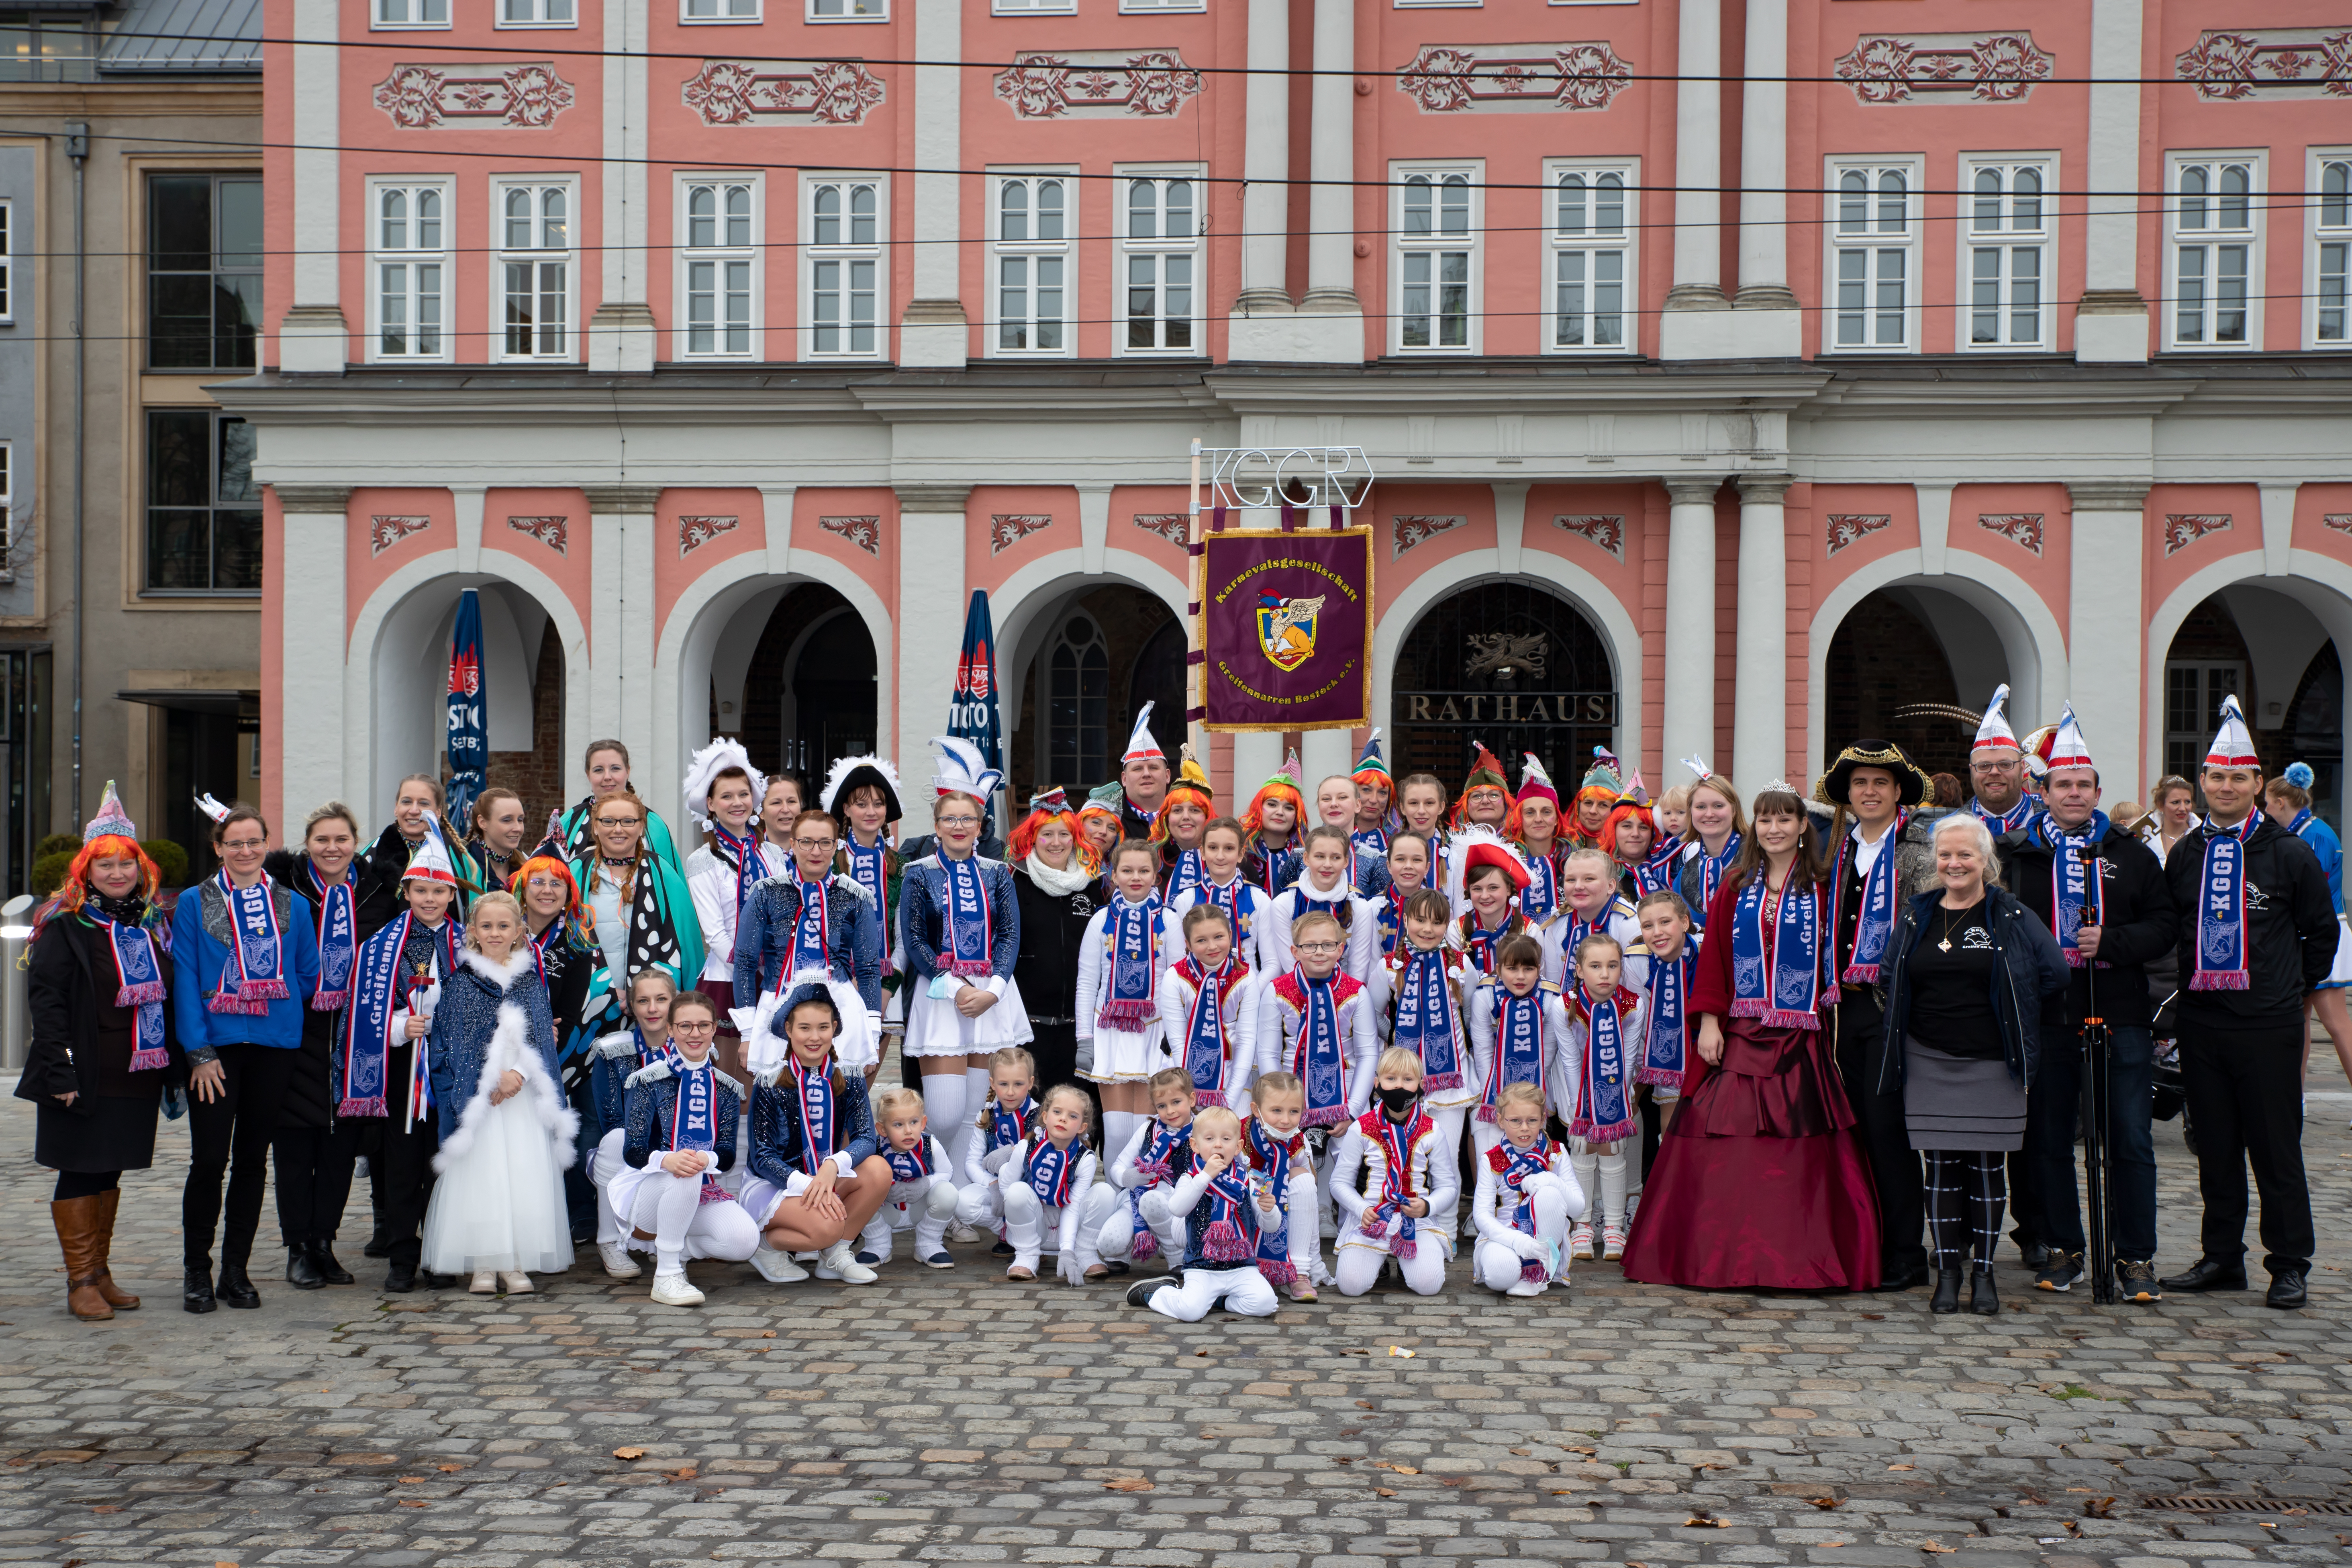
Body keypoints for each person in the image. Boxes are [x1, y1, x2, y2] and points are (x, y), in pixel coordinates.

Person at [1620, 784, 1882, 1292]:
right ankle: (1725, 1254)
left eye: (1785, 819)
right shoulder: (1738, 885)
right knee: (1728, 1135)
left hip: (1804, 1033)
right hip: (1742, 1029)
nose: (1775, 829)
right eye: (1766, 820)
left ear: (1803, 825)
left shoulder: (1827, 885)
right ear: (1754, 827)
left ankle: (1796, 1255)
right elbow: (1716, 955)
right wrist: (1711, 1022)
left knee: (1802, 1141)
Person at [1994, 705, 2178, 1301]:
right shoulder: (2019, 857)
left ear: (2098, 792)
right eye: (2062, 785)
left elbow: (2165, 924)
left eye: (2083, 786)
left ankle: (2135, 1257)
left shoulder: (2129, 853)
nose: (2073, 794)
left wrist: (2114, 944)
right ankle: (2065, 1245)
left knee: (2128, 1138)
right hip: (2047, 1019)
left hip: (2118, 1015)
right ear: (2043, 791)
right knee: (2048, 1138)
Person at [2159, 696, 2336, 1311]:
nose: (2226, 786)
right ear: (2203, 781)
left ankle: (2290, 1264)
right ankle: (2221, 1258)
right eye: (2216, 776)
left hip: (2267, 1025)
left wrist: (2291, 991)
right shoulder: (2187, 852)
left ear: (2258, 784)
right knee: (2214, 1147)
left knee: (2275, 1149)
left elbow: (2323, 932)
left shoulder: (2289, 852)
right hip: (2204, 1024)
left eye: (2238, 777)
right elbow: (2173, 927)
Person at [1879, 814, 2068, 1315]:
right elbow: (1887, 973)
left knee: (1988, 1168)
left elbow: (2055, 972)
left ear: (1986, 861)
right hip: (1927, 1058)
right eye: (1946, 854)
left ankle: (1984, 1274)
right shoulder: (1917, 914)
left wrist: (2011, 1009)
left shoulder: (2010, 914)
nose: (1954, 863)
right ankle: (1949, 1273)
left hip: (1993, 1063)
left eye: (1966, 854)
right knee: (1939, 1169)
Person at [22, 784, 183, 1321]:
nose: (117, 874)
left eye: (126, 864)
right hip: (84, 1072)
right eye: (105, 865)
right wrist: (59, 1070)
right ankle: (80, 1280)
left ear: (141, 869)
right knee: (80, 1170)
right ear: (86, 872)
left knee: (108, 1171)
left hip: (136, 1073)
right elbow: (46, 1005)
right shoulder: (64, 925)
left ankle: (101, 1271)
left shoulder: (151, 924)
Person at [173, 802, 323, 1313]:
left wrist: (266, 998)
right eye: (234, 842)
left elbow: (308, 972)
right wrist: (199, 1052)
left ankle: (235, 1270)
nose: (245, 850)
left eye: (253, 841)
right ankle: (198, 1268)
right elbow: (187, 981)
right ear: (218, 848)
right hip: (214, 1051)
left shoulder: (294, 905)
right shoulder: (194, 903)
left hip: (274, 1046)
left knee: (253, 1161)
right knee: (210, 1160)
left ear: (266, 844)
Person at [1815, 740, 1942, 1291]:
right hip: (1841, 1009)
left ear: (1896, 794)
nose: (1869, 792)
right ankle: (1864, 1242)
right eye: (1860, 784)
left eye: (1880, 784)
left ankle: (1906, 1251)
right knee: (1856, 1131)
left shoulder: (1920, 848)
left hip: (1893, 1009)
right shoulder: (1835, 850)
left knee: (1890, 1133)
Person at [265, 801, 399, 1290]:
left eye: (341, 839)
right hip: (297, 1032)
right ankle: (297, 1247)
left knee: (341, 1147)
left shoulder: (379, 892)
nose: (332, 848)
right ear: (308, 842)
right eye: (322, 839)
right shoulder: (281, 889)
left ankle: (325, 1242)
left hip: (356, 1033)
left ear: (355, 841)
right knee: (296, 1145)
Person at [419, 889, 577, 1295]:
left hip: (521, 1100)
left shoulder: (529, 983)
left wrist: (520, 1074)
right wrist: (487, 1081)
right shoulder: (460, 984)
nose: (494, 933)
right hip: (480, 1101)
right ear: (472, 931)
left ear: (518, 931)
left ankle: (516, 1261)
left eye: (503, 925)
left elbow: (542, 1039)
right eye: (486, 926)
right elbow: (451, 1045)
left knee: (522, 1175)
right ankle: (485, 1263)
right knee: (483, 1177)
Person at [901, 738, 1032, 1186]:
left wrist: (993, 989)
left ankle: (955, 1202)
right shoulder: (918, 872)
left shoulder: (999, 874)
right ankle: (923, 1183)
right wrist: (956, 987)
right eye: (949, 819)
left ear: (981, 824)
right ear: (936, 825)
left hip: (992, 997)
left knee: (977, 1112)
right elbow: (915, 938)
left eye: (968, 819)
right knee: (943, 1112)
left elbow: (1010, 933)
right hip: (942, 997)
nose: (959, 826)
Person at [610, 990, 759, 1306]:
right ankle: (666, 1275)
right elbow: (634, 1150)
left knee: (744, 1243)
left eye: (704, 1026)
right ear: (671, 1030)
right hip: (649, 1190)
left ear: (715, 1029)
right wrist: (669, 1160)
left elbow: (728, 1154)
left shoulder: (726, 1088)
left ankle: (673, 1247)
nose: (695, 1034)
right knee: (688, 1165)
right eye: (686, 1026)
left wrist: (708, 1157)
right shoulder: (647, 1080)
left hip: (699, 1191)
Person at [742, 982, 893, 1286]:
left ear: (835, 1028)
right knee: (826, 1227)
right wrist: (806, 1184)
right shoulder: (769, 1082)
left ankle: (834, 1256)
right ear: (789, 1029)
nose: (814, 1037)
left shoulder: (849, 1077)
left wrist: (833, 1165)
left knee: (879, 1170)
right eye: (805, 1028)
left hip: (825, 1176)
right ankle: (765, 1248)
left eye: (823, 1027)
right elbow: (761, 1157)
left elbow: (866, 1136)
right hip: (776, 1184)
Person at [567, 789, 704, 1100]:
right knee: (593, 1109)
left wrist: (643, 995)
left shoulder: (662, 873)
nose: (619, 829)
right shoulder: (577, 872)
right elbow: (565, 943)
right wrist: (605, 990)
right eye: (609, 821)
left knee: (651, 1103)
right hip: (590, 1008)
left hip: (650, 1010)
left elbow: (685, 941)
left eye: (628, 821)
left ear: (642, 826)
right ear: (596, 827)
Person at [731, 808, 881, 1076]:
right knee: (780, 1103)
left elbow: (869, 969)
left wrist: (872, 1030)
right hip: (777, 1007)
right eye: (807, 842)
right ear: (793, 844)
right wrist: (746, 1032)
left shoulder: (856, 896)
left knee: (836, 1102)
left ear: (837, 846)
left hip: (841, 1011)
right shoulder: (766, 893)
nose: (816, 851)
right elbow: (744, 963)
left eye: (825, 843)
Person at [1370, 888, 1478, 1223]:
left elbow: (1473, 1013)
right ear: (1406, 920)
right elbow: (1374, 1013)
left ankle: (1444, 1229)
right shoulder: (1389, 966)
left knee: (1445, 1155)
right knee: (1404, 1156)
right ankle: (1401, 1221)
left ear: (1448, 925)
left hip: (1450, 1080)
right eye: (1420, 920)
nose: (1428, 929)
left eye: (1437, 922)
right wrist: (1398, 1039)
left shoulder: (1461, 964)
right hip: (1403, 1080)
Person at [682, 739, 782, 1083]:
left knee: (774, 1080)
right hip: (728, 979)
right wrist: (755, 967)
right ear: (710, 804)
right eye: (726, 796)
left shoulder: (774, 855)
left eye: (743, 794)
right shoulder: (702, 861)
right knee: (733, 1084)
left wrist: (779, 966)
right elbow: (716, 935)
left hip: (775, 980)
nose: (737, 803)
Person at [1121, 1105, 1282, 1320]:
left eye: (1226, 1139)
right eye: (1210, 1139)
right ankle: (1157, 1293)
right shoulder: (1190, 1178)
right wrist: (1205, 1177)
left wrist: (1270, 1210)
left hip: (1242, 1266)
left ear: (1238, 1147)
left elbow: (1270, 1227)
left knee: (1266, 1304)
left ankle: (1219, 1300)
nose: (1218, 1144)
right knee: (1190, 1313)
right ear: (1195, 1145)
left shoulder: (1250, 1181)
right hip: (1201, 1265)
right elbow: (1177, 1208)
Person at [513, 852, 599, 1242]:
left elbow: (568, 1012)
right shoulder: (503, 929)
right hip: (504, 1049)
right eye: (538, 882)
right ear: (522, 888)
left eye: (556, 883)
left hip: (559, 1052)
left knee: (559, 1132)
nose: (547, 890)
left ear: (568, 893)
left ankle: (565, 1218)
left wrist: (543, 1031)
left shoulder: (577, 941)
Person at [1078, 839, 1182, 1155]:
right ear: (1114, 875)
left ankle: (1138, 1201)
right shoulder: (1100, 919)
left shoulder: (1170, 919)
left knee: (1146, 1131)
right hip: (1110, 1031)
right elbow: (1087, 982)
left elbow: (1179, 983)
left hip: (1156, 1031)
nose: (1135, 877)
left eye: (1143, 870)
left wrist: (1176, 1038)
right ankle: (1118, 1201)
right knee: (1118, 1132)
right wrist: (1084, 1038)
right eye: (1127, 870)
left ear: (1156, 876)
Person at [1328, 1047, 1457, 1297]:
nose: (1399, 1086)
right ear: (1377, 1084)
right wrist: (1361, 1209)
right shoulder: (1360, 1128)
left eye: (1408, 1080)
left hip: (1416, 1222)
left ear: (1421, 1084)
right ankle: (1380, 1262)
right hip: (1372, 1220)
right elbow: (1339, 1183)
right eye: (1391, 1079)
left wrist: (1427, 1206)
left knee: (1428, 1285)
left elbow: (1448, 1187)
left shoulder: (1433, 1130)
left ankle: (1406, 1258)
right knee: (1351, 1286)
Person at [2265, 764, 2352, 1102]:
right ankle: (2294, 1097)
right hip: (2309, 934)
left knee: (2336, 1021)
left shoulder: (2314, 834)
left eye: (2269, 803)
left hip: (2323, 933)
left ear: (2284, 802)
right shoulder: (2307, 831)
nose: (2266, 810)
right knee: (2297, 1021)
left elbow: (2307, 892)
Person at [1009, 788, 1102, 1097]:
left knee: (1078, 1111)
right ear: (1032, 838)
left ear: (1075, 838)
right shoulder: (1015, 881)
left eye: (1064, 834)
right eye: (1047, 835)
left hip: (1079, 1027)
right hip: (1028, 1025)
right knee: (1028, 1112)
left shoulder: (1093, 885)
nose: (1056, 843)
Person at [587, 968, 680, 1279]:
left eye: (661, 999)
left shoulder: (693, 1050)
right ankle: (609, 1242)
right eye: (643, 1001)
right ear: (632, 1006)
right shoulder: (613, 1050)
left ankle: (668, 1242)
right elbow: (611, 1118)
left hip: (674, 1152)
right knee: (616, 1137)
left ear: (674, 1003)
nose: (652, 1009)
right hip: (626, 1152)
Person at [1558, 932, 1644, 1260]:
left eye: (1613, 966)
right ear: (1580, 970)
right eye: (1595, 966)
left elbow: (1630, 1057)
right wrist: (1576, 1110)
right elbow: (1569, 1059)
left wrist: (1616, 1104)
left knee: (1614, 1146)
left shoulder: (1634, 1005)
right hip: (1578, 1086)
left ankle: (1613, 1227)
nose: (1605, 974)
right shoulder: (1563, 1005)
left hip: (1615, 1086)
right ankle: (1581, 1225)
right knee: (1581, 1144)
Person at [1469, 1082, 1585, 1297]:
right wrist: (1517, 1241)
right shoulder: (1491, 1159)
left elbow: (1578, 1209)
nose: (1525, 1128)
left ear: (1543, 1119)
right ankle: (1517, 1269)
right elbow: (1482, 1216)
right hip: (1504, 1236)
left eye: (1532, 1121)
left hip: (1545, 1241)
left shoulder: (1557, 1153)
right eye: (1516, 1121)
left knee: (1549, 1194)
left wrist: (1552, 1181)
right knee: (1502, 1275)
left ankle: (1539, 1272)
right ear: (1500, 1121)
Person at [820, 755, 904, 1045]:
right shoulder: (827, 865)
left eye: (878, 804)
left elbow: (905, 937)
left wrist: (886, 987)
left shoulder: (904, 867)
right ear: (846, 809)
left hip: (886, 989)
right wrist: (847, 982)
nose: (871, 811)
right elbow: (819, 930)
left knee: (865, 1083)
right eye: (862, 804)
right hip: (835, 984)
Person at [1467, 933, 1569, 1158]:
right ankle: (1488, 1191)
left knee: (1530, 1148)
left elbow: (1547, 1055)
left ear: (1540, 968)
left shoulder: (1551, 999)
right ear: (1498, 968)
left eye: (1529, 969)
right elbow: (1484, 1052)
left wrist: (1527, 1103)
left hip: (1537, 1084)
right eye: (1512, 969)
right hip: (1491, 1086)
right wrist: (1499, 1103)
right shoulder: (1485, 997)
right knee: (1489, 1152)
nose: (1520, 977)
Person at [994, 1083, 1107, 1284]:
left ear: (1082, 1127)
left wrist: (1067, 1250)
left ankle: (1085, 1253)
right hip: (1034, 1229)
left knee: (1105, 1192)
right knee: (1017, 1190)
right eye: (1057, 1112)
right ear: (1046, 1117)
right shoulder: (1025, 1148)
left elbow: (1073, 1207)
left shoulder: (1085, 1159)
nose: (1064, 1118)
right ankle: (1027, 1255)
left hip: (1071, 1235)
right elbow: (1006, 1189)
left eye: (1073, 1116)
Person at [1156, 905, 1259, 1109]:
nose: (1212, 946)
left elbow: (1247, 1041)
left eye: (1219, 937)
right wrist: (1190, 1094)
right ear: (1188, 944)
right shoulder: (1175, 977)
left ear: (1230, 935)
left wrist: (1229, 1101)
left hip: (1235, 1073)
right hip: (1184, 1073)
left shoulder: (1246, 977)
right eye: (1201, 940)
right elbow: (1178, 1042)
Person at [856, 1085, 962, 1270]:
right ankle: (877, 1244)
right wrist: (884, 1190)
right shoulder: (873, 1148)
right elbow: (861, 1180)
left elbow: (947, 1172)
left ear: (923, 1123)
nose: (908, 1131)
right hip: (886, 1211)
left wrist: (925, 1184)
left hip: (919, 1209)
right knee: (856, 1193)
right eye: (898, 1125)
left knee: (948, 1193)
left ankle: (929, 1243)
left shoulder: (931, 1145)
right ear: (882, 1129)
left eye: (914, 1122)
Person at [1102, 1066, 1197, 1271]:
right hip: (1137, 1197)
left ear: (1192, 1100)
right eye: (1162, 1106)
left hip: (1181, 1204)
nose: (1170, 1111)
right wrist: (1128, 1177)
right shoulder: (1148, 1129)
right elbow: (1118, 1166)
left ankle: (1176, 1255)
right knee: (1109, 1244)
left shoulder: (1202, 1129)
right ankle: (1128, 1249)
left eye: (1176, 1102)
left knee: (1153, 1201)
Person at [1241, 1070, 1323, 1299]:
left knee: (1303, 1178)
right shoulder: (1237, 1133)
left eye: (1294, 1111)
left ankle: (1297, 1273)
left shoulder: (1297, 1139)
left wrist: (1280, 1181)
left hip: (1281, 1210)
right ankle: (1243, 1264)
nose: (1286, 1120)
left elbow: (1309, 1194)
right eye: (1276, 1110)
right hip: (1243, 1215)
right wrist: (1261, 1184)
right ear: (1256, 1110)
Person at [553, 739, 684, 879]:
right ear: (588, 774)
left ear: (628, 771)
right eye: (599, 770)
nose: (608, 777)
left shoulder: (653, 823)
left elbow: (670, 884)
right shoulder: (569, 822)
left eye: (615, 769)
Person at [1265, 825, 1380, 983]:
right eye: (1319, 856)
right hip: (1297, 992)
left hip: (1347, 995)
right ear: (1306, 858)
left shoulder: (1360, 907)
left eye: (1336, 857)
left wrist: (1345, 1001)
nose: (1327, 864)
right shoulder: (1283, 904)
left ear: (1346, 861)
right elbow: (1290, 965)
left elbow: (1358, 972)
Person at [1168, 816, 1275, 974]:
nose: (1220, 856)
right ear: (1203, 853)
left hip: (1249, 990)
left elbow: (1271, 963)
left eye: (1229, 849)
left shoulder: (1260, 899)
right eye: (1213, 848)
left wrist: (1250, 992)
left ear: (1241, 854)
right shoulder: (1185, 900)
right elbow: (1179, 961)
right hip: (1197, 993)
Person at [369, 774, 484, 897]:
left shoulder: (460, 861)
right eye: (407, 802)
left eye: (424, 803)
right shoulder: (371, 854)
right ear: (396, 808)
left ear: (438, 812)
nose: (414, 811)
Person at [1450, 827, 1535, 976]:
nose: (1485, 896)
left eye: (1493, 888)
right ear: (1469, 892)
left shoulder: (1530, 931)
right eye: (1477, 889)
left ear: (1509, 890)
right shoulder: (1456, 930)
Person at [1674, 761, 1747, 933]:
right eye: (1701, 807)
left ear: (1734, 810)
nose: (1709, 814)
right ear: (1691, 812)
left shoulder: (1759, 858)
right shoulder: (1684, 874)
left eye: (1718, 806)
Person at [1444, 745, 1517, 907]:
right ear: (1466, 805)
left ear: (1506, 802)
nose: (1485, 801)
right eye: (1477, 796)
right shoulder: (1450, 849)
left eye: (1493, 795)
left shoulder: (1521, 845)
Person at [1966, 685, 2038, 833]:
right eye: (1984, 766)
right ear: (1971, 770)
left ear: (2023, 767)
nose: (1994, 772)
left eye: (2005, 764)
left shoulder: (2053, 828)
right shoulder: (1946, 830)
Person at [1312, 771, 1390, 900]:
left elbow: (1381, 914)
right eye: (1326, 799)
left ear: (1358, 805)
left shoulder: (1376, 861)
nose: (1334, 804)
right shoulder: (1300, 859)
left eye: (1342, 798)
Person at [1509, 753, 1566, 927]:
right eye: (1530, 812)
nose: (1539, 819)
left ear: (1557, 819)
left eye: (1547, 812)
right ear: (1520, 819)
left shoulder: (1574, 862)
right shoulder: (1507, 862)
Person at [1154, 749, 1217, 902]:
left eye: (1195, 810)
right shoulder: (1151, 858)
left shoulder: (1227, 858)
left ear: (1207, 816)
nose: (1186, 817)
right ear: (1167, 818)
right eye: (1177, 810)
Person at [1240, 752, 1306, 896]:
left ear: (1297, 816)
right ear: (1259, 809)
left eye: (1289, 808)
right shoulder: (1239, 855)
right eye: (1272, 804)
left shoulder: (1306, 858)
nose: (1280, 812)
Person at [1113, 702, 1174, 840]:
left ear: (1167, 775)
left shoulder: (1185, 820)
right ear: (1124, 779)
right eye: (1138, 769)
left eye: (1153, 767)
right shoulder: (1110, 822)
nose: (1146, 774)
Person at [1374, 831, 1434, 960]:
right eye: (1401, 859)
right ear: (1389, 866)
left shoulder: (1439, 908)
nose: (1408, 866)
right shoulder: (1373, 908)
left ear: (1427, 868)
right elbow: (1371, 960)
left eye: (1417, 860)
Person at [466, 787, 533, 901]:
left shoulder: (528, 866)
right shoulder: (462, 865)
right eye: (507, 820)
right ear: (483, 823)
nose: (518, 828)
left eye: (520, 820)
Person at [1352, 731, 1396, 860]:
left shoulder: (1400, 840)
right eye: (1366, 790)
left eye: (1382, 792)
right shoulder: (1331, 835)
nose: (1373, 800)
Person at [1568, 748, 1623, 850]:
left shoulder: (1624, 851)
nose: (1593, 811)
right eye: (1588, 803)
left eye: (1603, 805)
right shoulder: (1563, 848)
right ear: (1579, 806)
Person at [2140, 774, 2197, 861]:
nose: (2183, 809)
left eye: (2187, 802)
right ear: (2161, 805)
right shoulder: (2145, 837)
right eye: (2176, 802)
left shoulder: (2200, 836)